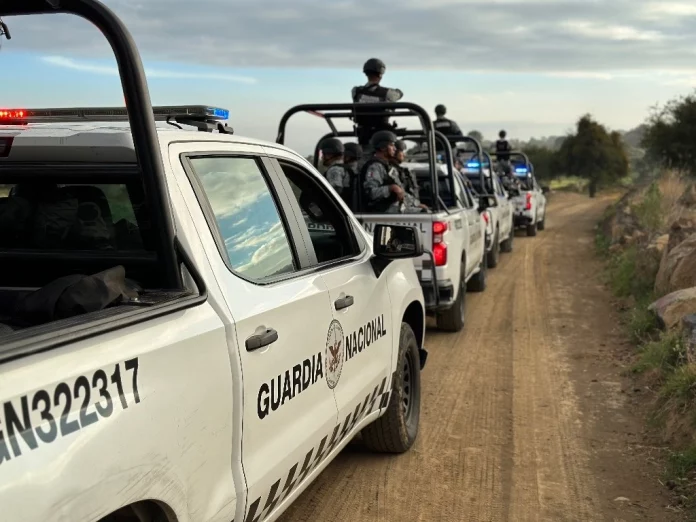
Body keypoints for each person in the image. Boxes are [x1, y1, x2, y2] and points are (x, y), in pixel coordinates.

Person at [351, 58, 404, 165]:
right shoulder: (387, 93)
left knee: (364, 165)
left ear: (366, 73)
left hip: (364, 137)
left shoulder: (355, 91)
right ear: (381, 74)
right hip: (382, 140)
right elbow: (400, 94)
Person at [361, 131, 426, 213]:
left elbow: (402, 192)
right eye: (391, 145)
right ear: (383, 147)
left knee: (425, 210)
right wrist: (391, 188)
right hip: (382, 211)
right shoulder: (375, 166)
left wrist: (415, 204)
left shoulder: (388, 166)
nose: (395, 149)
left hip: (394, 209)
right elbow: (370, 193)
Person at [320, 138, 354, 207]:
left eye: (324, 154)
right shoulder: (345, 168)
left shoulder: (334, 170)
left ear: (330, 154)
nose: (322, 157)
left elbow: (335, 192)